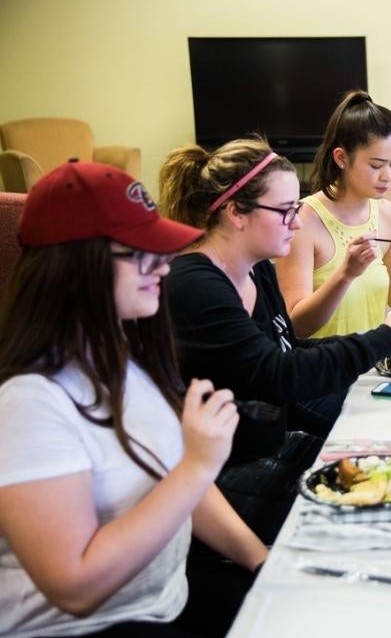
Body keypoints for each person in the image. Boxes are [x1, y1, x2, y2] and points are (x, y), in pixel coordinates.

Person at [0, 161, 267, 637]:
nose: (163, 265)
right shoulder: (29, 404)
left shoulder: (129, 359)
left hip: (166, 601)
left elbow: (183, 486)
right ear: (77, 266)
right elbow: (75, 588)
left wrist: (261, 561)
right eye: (140, 253)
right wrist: (197, 466)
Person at [158, 137, 391, 540]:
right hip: (218, 476)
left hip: (267, 443)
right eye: (285, 211)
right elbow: (280, 376)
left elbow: (286, 348)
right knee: (386, 513)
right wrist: (384, 337)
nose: (298, 223)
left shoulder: (256, 268)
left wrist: (379, 345)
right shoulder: (196, 285)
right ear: (235, 213)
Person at [275, 90, 391, 338]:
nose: (388, 176)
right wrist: (345, 274)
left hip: (377, 363)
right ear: (341, 158)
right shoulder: (303, 222)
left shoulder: (389, 215)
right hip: (325, 369)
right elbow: (296, 326)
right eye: (376, 165)